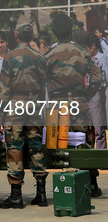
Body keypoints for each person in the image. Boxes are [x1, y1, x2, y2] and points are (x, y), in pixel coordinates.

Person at [46, 14, 103, 197]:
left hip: (57, 107)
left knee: (59, 144)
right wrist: (86, 94)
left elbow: (41, 80)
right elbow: (97, 78)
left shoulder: (48, 55)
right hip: (79, 104)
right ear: (71, 31)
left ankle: (62, 184)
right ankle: (91, 183)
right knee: (84, 143)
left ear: (54, 33)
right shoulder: (83, 52)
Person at [0, 24, 47, 209]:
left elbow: (3, 91)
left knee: (14, 148)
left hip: (15, 107)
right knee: (36, 147)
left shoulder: (10, 57)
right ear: (31, 35)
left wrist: (0, 115)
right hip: (34, 107)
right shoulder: (40, 57)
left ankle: (16, 196)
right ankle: (41, 194)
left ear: (16, 36)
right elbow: (43, 87)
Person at [83, 34, 107, 149]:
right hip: (85, 96)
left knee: (98, 128)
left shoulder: (99, 60)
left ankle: (101, 154)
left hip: (95, 95)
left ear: (92, 47)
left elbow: (103, 82)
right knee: (87, 128)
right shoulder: (84, 60)